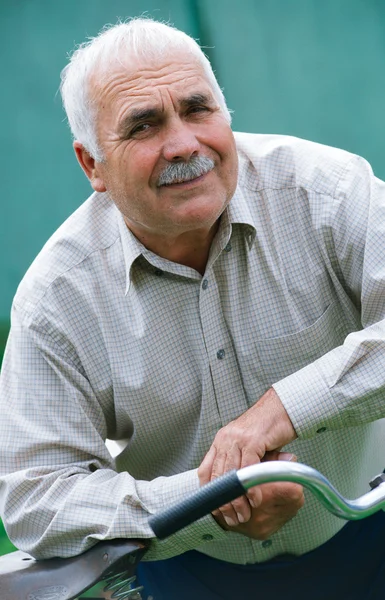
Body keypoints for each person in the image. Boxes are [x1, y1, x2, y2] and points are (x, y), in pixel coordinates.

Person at [1, 17, 385, 600]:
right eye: (143, 125)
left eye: (198, 109)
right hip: (190, 576)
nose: (183, 145)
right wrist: (203, 500)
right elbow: (36, 499)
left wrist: (282, 408)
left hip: (368, 525)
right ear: (92, 165)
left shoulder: (327, 192)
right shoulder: (57, 298)